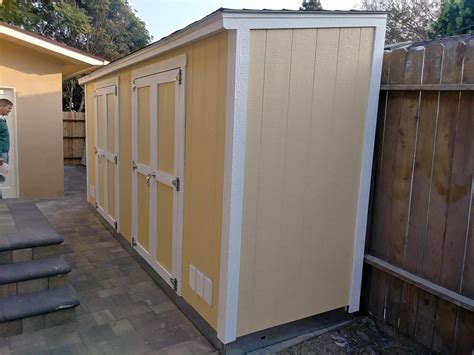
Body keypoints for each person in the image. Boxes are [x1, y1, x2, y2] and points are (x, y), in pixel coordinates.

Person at [0, 98, 13, 184]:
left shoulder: (2, 119)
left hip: (4, 153)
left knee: (1, 178)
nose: (10, 110)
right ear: (1, 107)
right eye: (8, 108)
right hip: (1, 154)